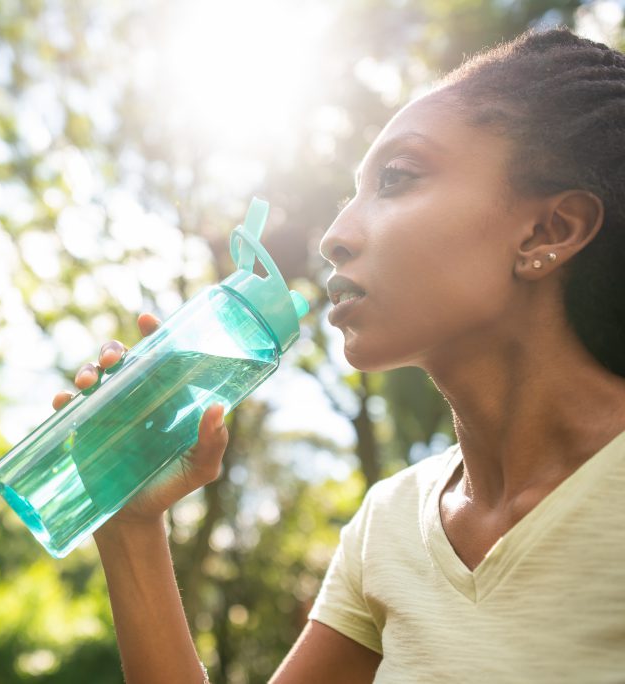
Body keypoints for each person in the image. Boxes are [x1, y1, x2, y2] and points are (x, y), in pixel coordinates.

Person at [52, 28, 625, 683]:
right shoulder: (390, 524)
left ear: (548, 231)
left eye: (396, 179)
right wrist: (130, 524)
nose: (334, 237)